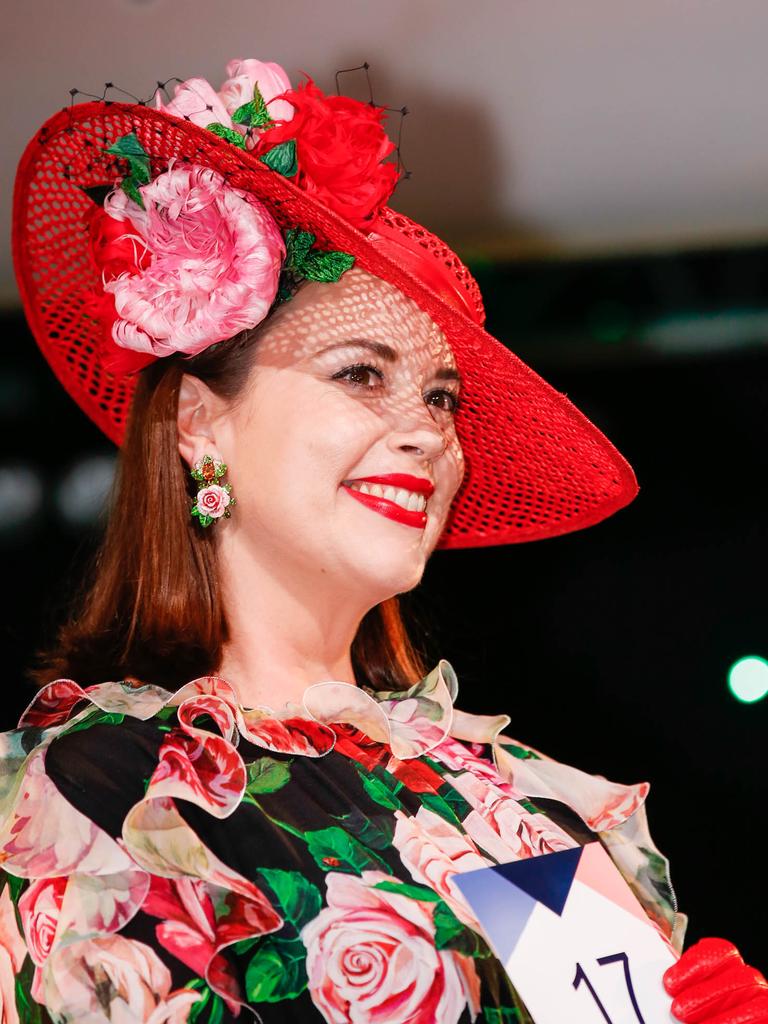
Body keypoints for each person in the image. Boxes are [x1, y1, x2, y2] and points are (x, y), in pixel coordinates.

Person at [1, 57, 765, 1024]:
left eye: (441, 398)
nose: (429, 433)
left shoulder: (505, 801)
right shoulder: (102, 788)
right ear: (198, 421)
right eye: (361, 375)